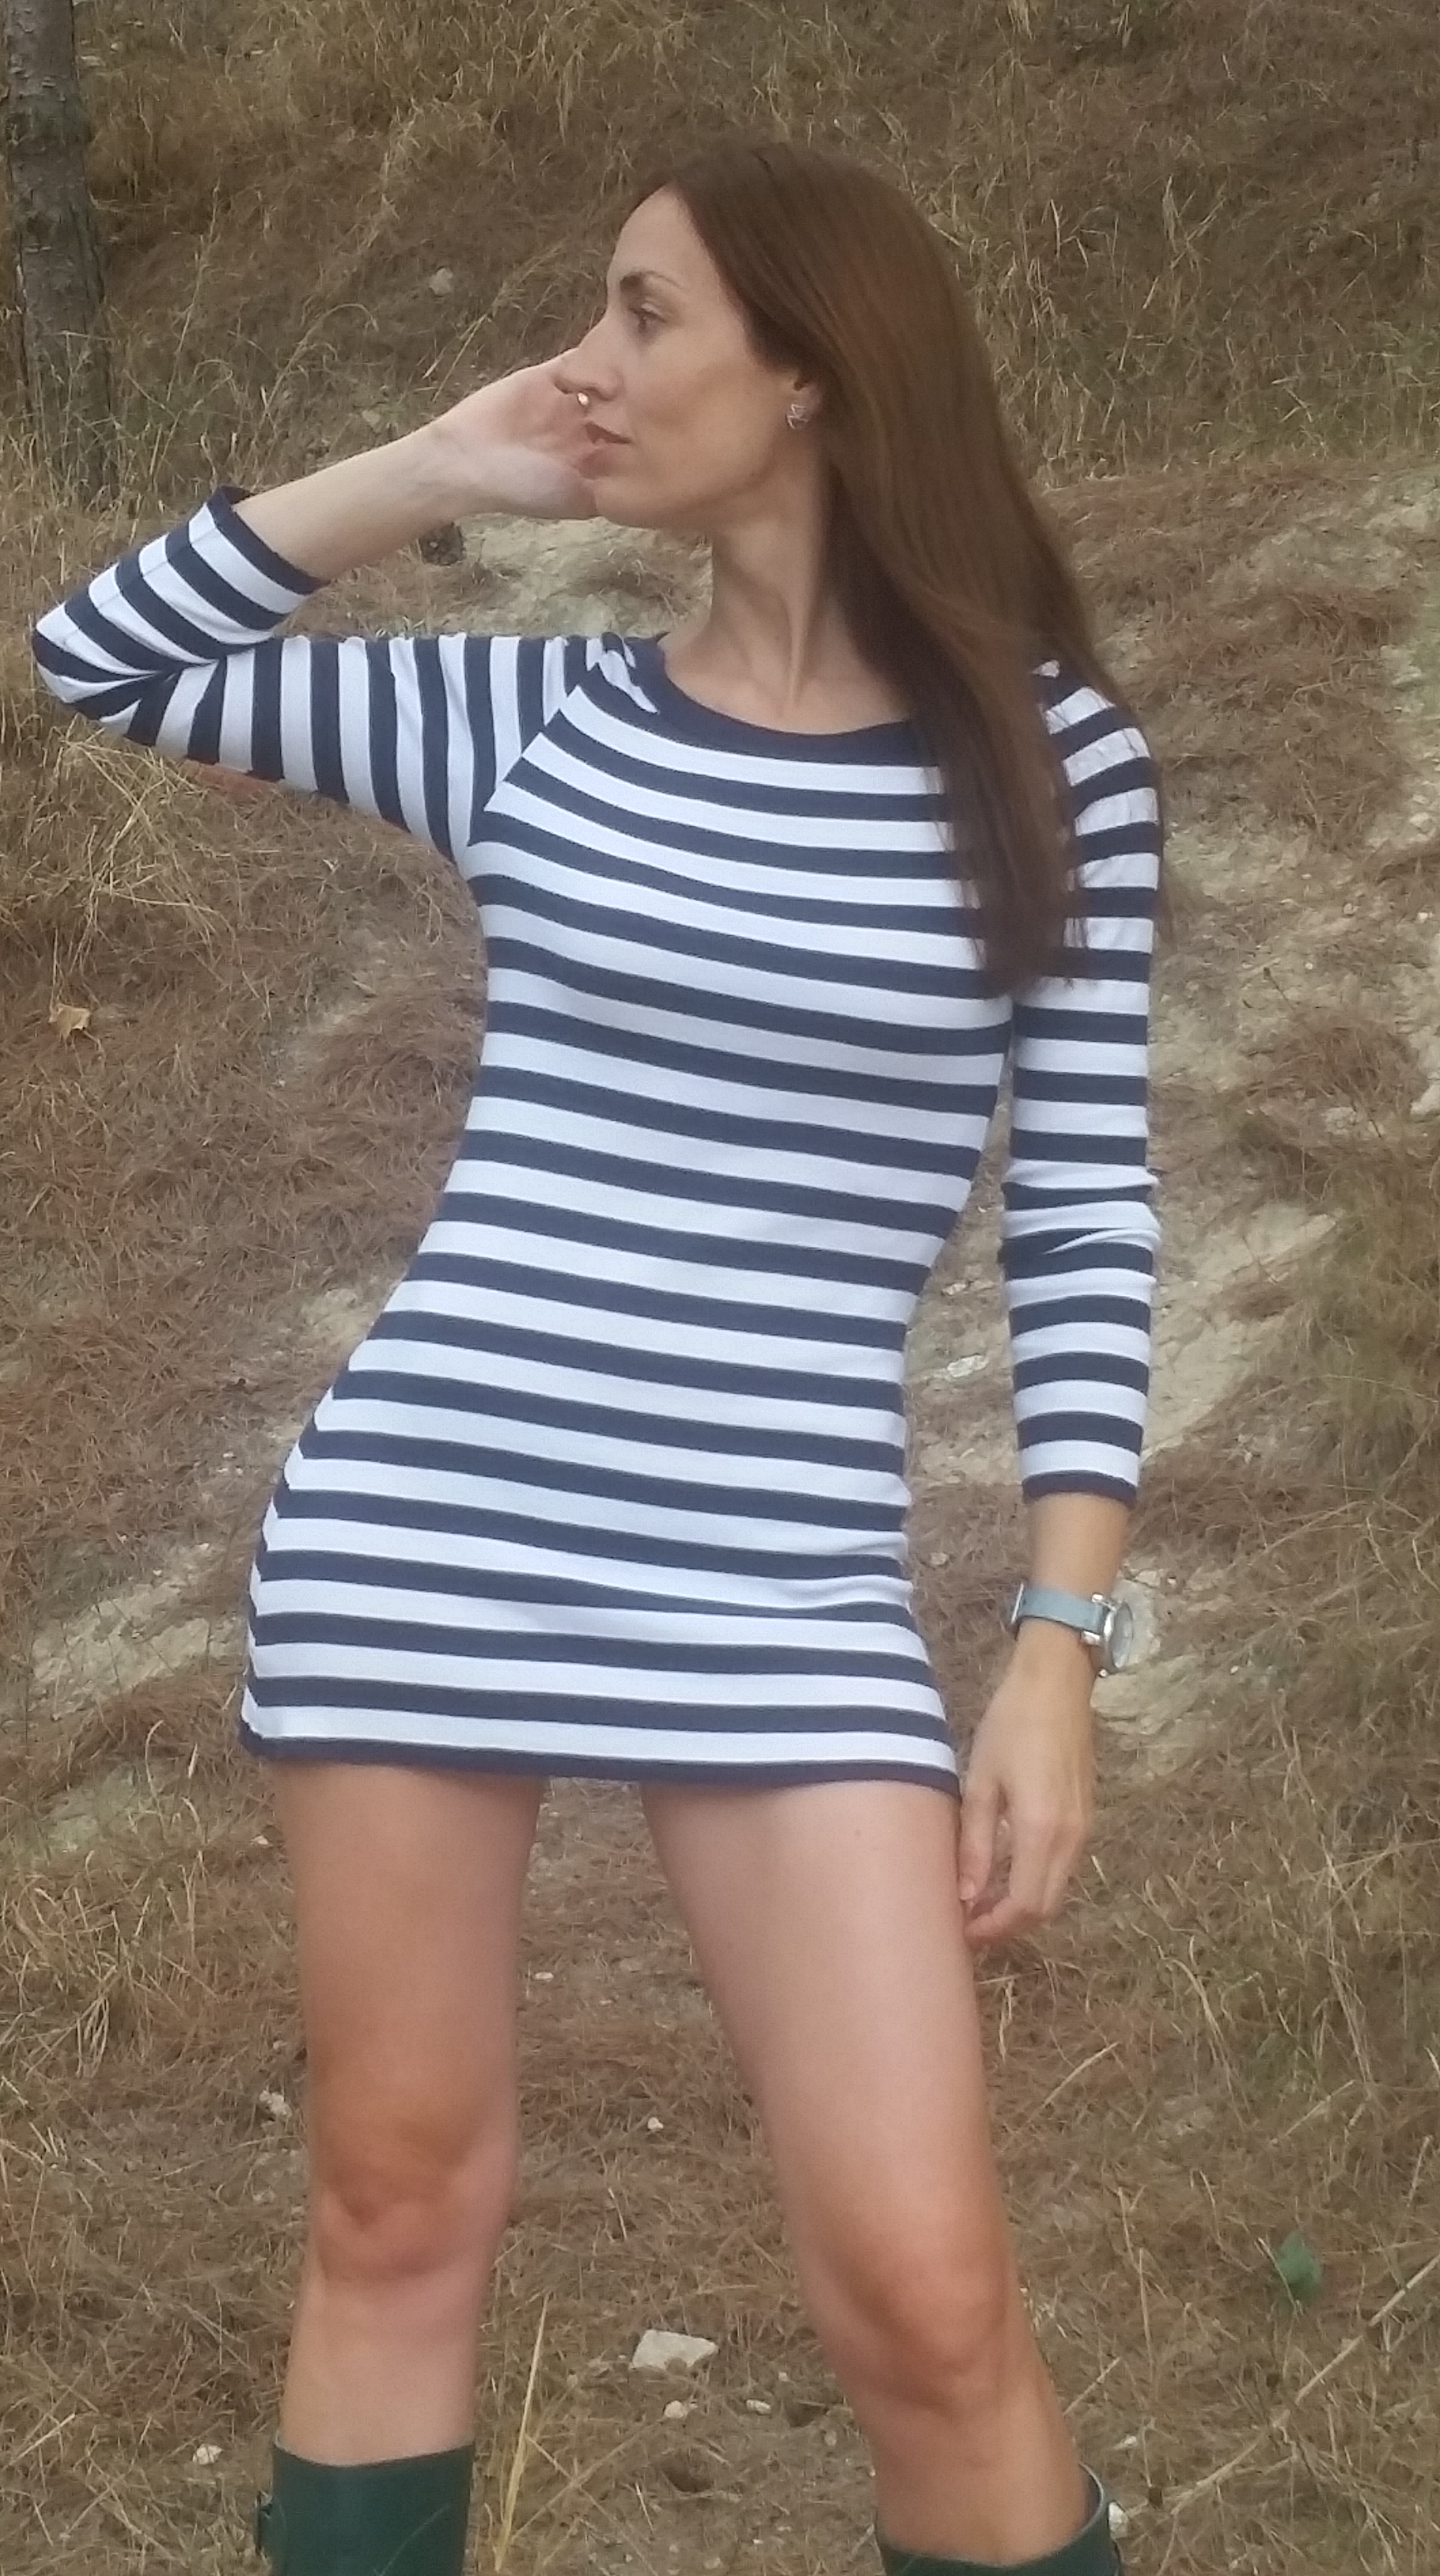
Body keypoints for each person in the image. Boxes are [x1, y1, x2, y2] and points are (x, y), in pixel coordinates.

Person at [32, 137, 1159, 2576]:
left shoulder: (1048, 761)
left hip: (775, 1588)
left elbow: (1083, 1227)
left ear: (814, 372)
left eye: (644, 313)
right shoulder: (531, 714)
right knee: (396, 2204)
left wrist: (1057, 1647)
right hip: (430, 1534)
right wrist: (445, 463)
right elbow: (98, 657)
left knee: (931, 2300)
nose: (589, 361)